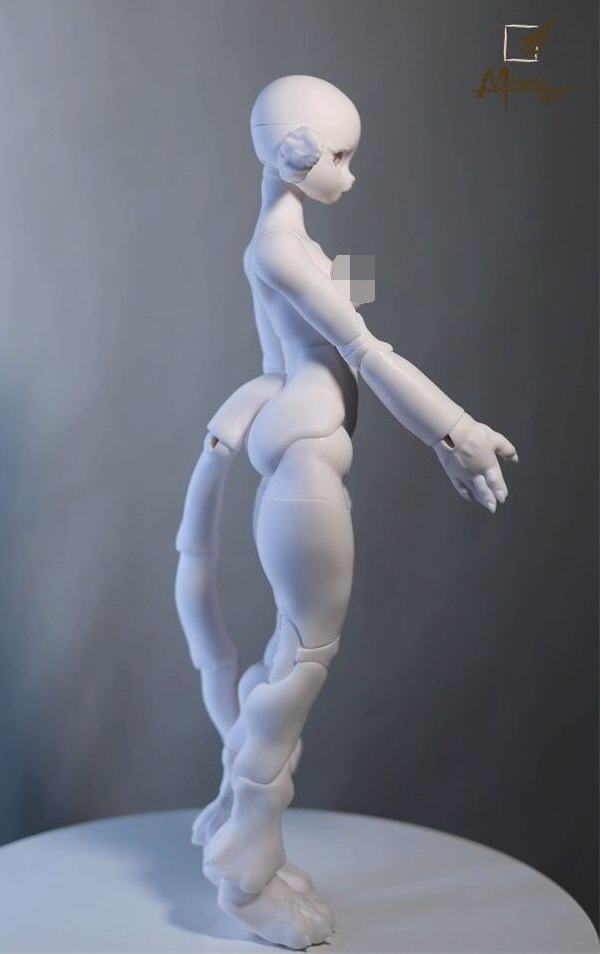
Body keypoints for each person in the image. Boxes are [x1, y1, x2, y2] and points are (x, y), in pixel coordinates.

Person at [175, 75, 518, 949]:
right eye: (339, 156)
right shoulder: (280, 249)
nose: (351, 175)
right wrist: (455, 431)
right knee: (301, 667)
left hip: (306, 468)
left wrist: (345, 292)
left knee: (291, 660)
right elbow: (365, 351)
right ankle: (246, 873)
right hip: (303, 476)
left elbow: (321, 338)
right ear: (293, 155)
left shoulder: (295, 243)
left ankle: (241, 824)